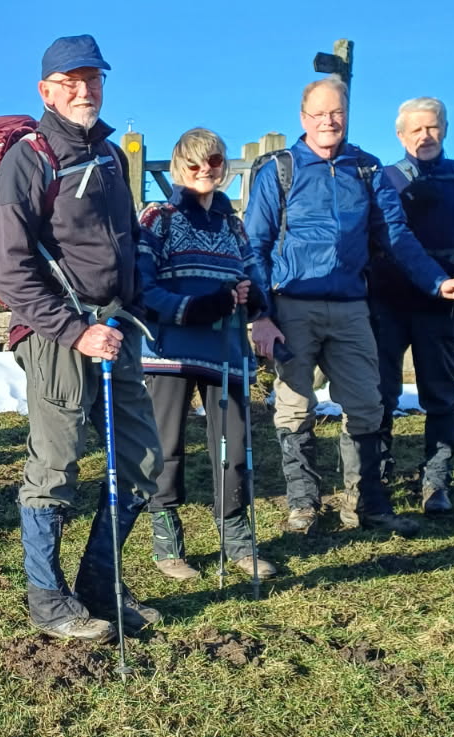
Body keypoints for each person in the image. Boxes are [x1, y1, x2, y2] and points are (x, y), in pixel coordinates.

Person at [0, 34, 162, 643]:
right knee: (56, 463)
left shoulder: (112, 157)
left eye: (93, 79)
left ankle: (98, 583)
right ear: (46, 92)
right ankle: (46, 598)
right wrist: (75, 330)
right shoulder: (27, 160)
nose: (85, 90)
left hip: (115, 330)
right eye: (71, 82)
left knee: (143, 460)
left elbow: (125, 245)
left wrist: (130, 309)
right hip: (55, 334)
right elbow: (12, 270)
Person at [245, 76, 454, 539]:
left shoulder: (365, 170)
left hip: (351, 307)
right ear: (303, 118)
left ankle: (365, 503)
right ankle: (303, 505)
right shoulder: (280, 170)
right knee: (294, 408)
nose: (329, 120)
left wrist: (435, 281)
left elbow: (395, 234)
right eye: (319, 113)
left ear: (347, 115)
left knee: (367, 405)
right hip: (292, 306)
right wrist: (260, 314)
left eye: (337, 112)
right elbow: (255, 245)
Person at [137, 127, 278, 580]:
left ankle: (236, 535)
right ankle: (167, 541)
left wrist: (253, 298)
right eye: (194, 164)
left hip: (227, 347)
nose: (205, 171)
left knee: (234, 447)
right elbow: (142, 286)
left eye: (214, 162)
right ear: (179, 166)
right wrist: (193, 308)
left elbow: (253, 274)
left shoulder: (232, 223)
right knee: (166, 445)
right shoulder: (158, 216)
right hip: (171, 348)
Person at [369, 97, 454, 513]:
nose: (425, 136)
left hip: (441, 305)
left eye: (433, 127)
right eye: (416, 129)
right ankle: (378, 477)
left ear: (444, 129)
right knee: (380, 394)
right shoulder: (383, 178)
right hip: (385, 301)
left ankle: (436, 482)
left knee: (441, 395)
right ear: (401, 135)